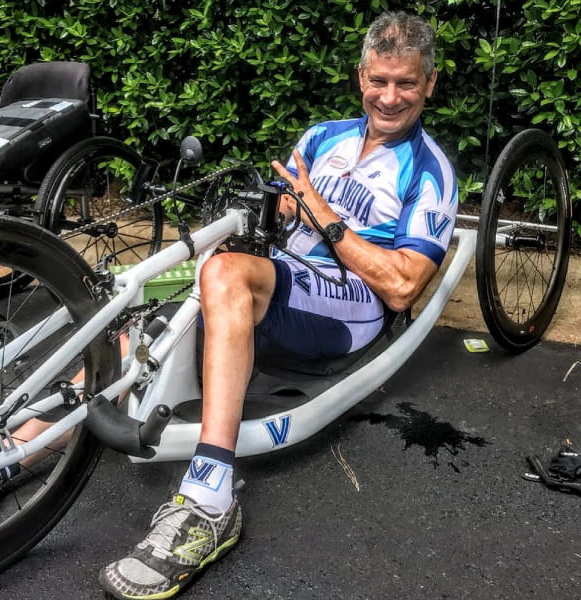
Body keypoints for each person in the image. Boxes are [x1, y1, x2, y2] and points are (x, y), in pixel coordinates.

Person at [97, 11, 458, 600]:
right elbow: (281, 206)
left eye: (407, 84)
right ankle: (19, 452)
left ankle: (211, 500)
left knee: (227, 273)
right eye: (380, 81)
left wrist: (322, 213)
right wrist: (280, 209)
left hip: (353, 307)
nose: (390, 98)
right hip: (287, 278)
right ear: (360, 75)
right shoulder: (322, 137)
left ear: (429, 84)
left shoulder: (431, 171)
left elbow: (401, 287)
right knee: (136, 314)